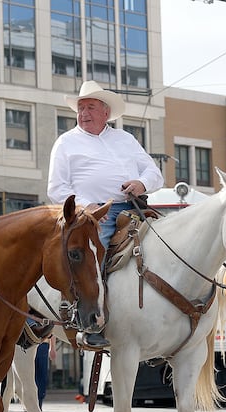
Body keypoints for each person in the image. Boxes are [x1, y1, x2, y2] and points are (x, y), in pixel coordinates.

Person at [47, 80, 164, 348]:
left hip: (135, 208)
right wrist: (87, 207)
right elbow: (56, 188)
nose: (83, 113)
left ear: (105, 112)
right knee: (92, 258)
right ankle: (91, 323)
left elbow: (154, 173)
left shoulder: (126, 139)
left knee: (169, 247)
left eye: (90, 107)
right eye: (80, 108)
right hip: (92, 215)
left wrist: (141, 184)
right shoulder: (66, 143)